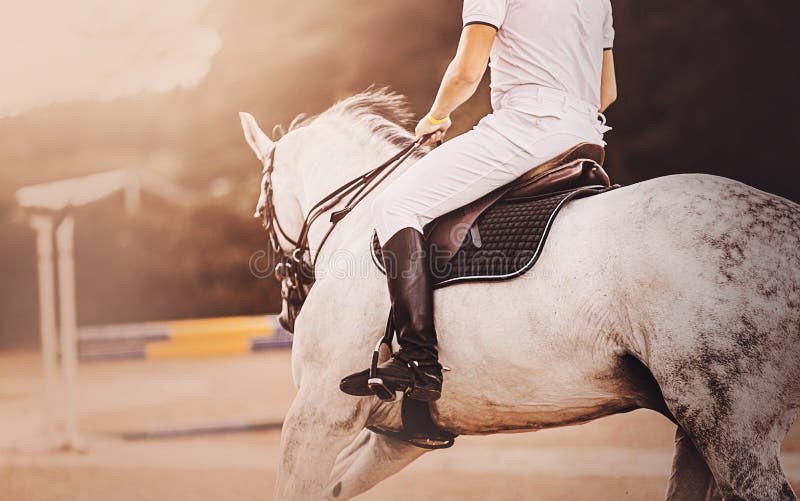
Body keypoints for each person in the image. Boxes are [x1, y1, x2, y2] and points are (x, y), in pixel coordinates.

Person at [340, 0, 617, 402]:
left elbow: (468, 71)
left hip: (527, 127)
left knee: (396, 206)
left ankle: (419, 359)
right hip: (585, 132)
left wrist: (436, 118)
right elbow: (606, 92)